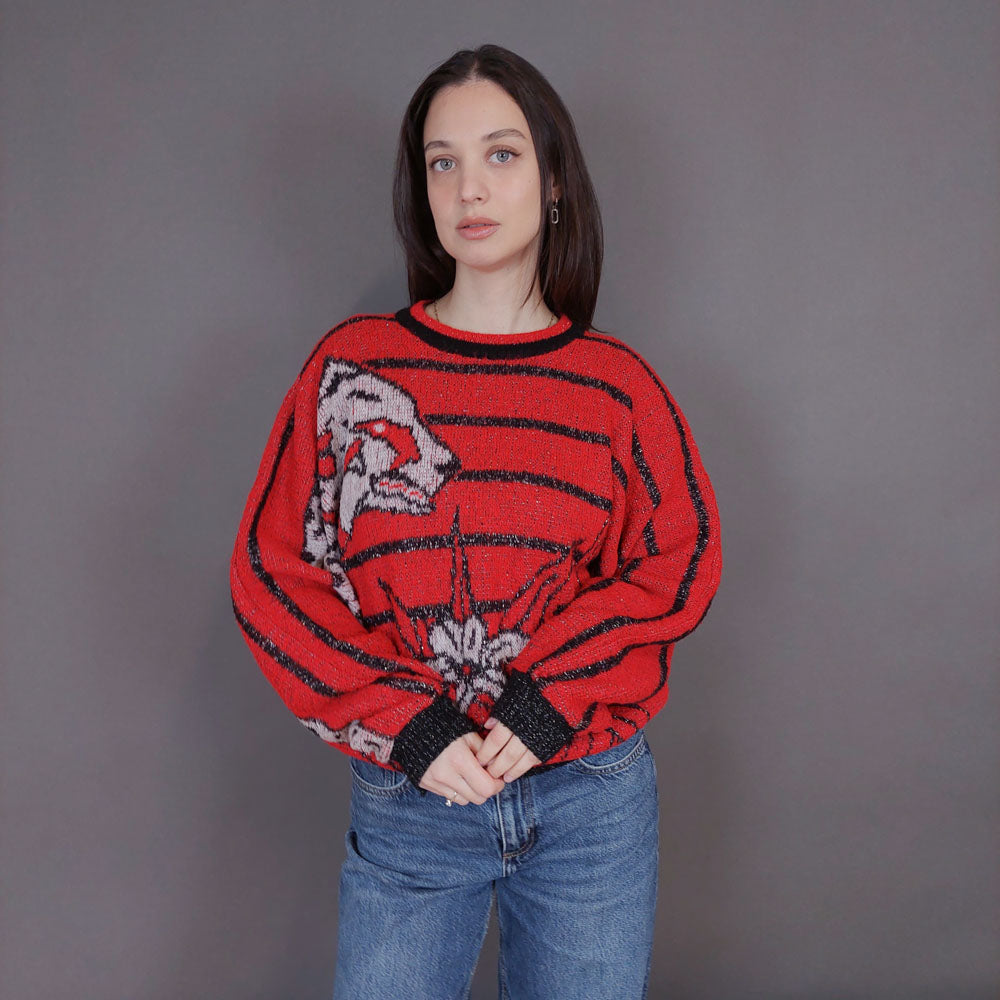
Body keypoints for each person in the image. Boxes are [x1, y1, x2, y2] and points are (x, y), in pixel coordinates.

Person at [230, 43, 722, 1000]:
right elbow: (271, 572)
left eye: (501, 154)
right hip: (413, 800)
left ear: (554, 182)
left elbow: (680, 561)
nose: (469, 188)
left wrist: (546, 701)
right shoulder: (353, 370)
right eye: (441, 161)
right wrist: (406, 725)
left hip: (588, 803)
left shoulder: (618, 389)